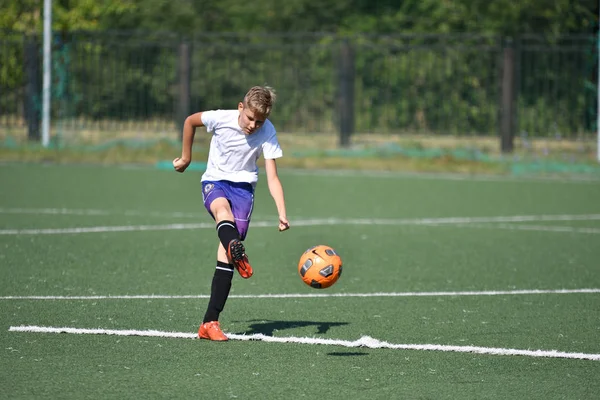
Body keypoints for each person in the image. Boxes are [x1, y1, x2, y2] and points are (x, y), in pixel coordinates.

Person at [173, 85, 290, 341]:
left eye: (259, 121)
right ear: (240, 107)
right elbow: (190, 121)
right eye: (250, 118)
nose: (253, 125)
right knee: (221, 211)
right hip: (214, 181)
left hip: (244, 190)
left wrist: (282, 212)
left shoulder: (267, 132)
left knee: (225, 259)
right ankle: (235, 246)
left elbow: (272, 177)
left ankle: (209, 323)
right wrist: (186, 157)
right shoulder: (221, 118)